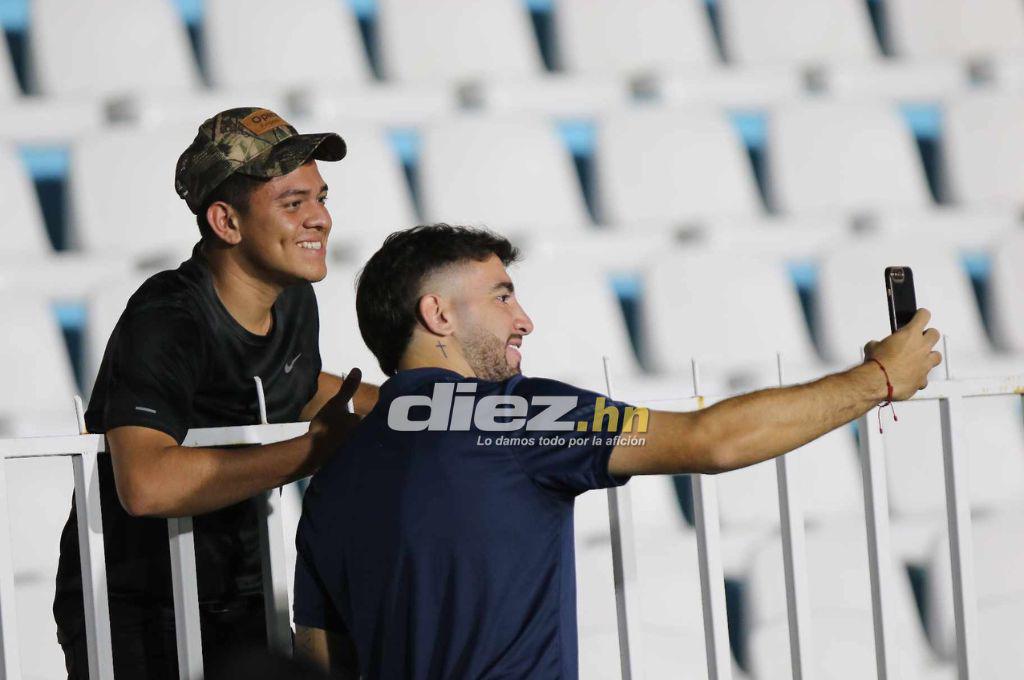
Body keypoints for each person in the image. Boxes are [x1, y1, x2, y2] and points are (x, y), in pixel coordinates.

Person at [291, 224, 942, 679]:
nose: (524, 319)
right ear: (437, 314)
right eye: (501, 295)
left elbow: (320, 658)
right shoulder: (514, 416)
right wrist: (877, 380)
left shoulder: (333, 472)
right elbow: (708, 440)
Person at [53, 107, 379, 679]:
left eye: (321, 198)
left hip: (243, 597)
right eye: (293, 203)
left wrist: (425, 404)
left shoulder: (294, 299)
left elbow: (298, 388)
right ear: (226, 222)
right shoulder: (167, 315)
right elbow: (147, 485)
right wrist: (312, 451)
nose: (321, 219)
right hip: (136, 613)